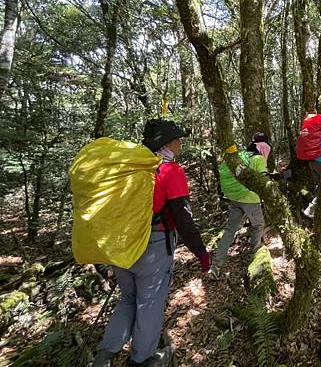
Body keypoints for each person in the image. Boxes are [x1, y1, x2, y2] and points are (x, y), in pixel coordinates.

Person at [93, 119, 211, 367]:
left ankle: (105, 355)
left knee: (127, 299)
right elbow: (183, 218)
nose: (180, 143)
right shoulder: (171, 171)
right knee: (149, 302)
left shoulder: (129, 168)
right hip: (153, 246)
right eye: (177, 139)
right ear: (166, 143)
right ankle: (141, 360)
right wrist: (201, 252)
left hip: (121, 244)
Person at [209, 132, 271, 279]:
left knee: (230, 230)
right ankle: (255, 255)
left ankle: (216, 266)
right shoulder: (258, 158)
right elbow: (264, 180)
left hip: (234, 197)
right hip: (250, 199)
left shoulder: (240, 156)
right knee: (258, 225)